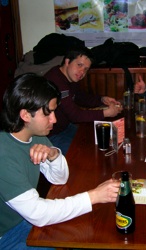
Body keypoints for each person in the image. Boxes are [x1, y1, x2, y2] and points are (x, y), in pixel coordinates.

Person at [0, 73, 120, 250]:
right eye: (48, 113)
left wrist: (53, 154)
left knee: (89, 233)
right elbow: (38, 213)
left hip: (24, 220)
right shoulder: (4, 153)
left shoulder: (33, 136)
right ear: (25, 115)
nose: (54, 120)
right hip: (7, 235)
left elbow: (60, 178)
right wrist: (94, 196)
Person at [44, 45, 122, 155]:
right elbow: (74, 115)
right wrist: (106, 112)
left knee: (96, 142)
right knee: (84, 154)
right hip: (50, 135)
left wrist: (102, 99)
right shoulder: (55, 80)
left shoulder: (69, 76)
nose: (82, 72)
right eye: (79, 65)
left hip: (65, 127)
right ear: (67, 62)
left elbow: (80, 97)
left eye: (86, 69)